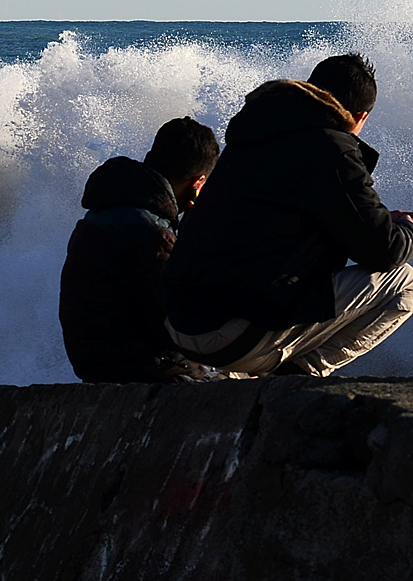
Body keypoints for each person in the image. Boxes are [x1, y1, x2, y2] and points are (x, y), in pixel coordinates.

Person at [163, 53, 413, 376]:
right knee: (404, 283)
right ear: (359, 117)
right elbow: (383, 251)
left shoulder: (255, 133)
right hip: (228, 338)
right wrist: (406, 229)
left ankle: (240, 372)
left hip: (181, 326)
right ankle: (296, 375)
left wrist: (380, 224)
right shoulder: (331, 147)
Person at [60, 117, 221, 382]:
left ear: (149, 158)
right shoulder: (151, 234)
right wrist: (194, 238)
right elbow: (178, 325)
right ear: (198, 185)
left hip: (95, 362)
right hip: (134, 369)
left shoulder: (110, 208)